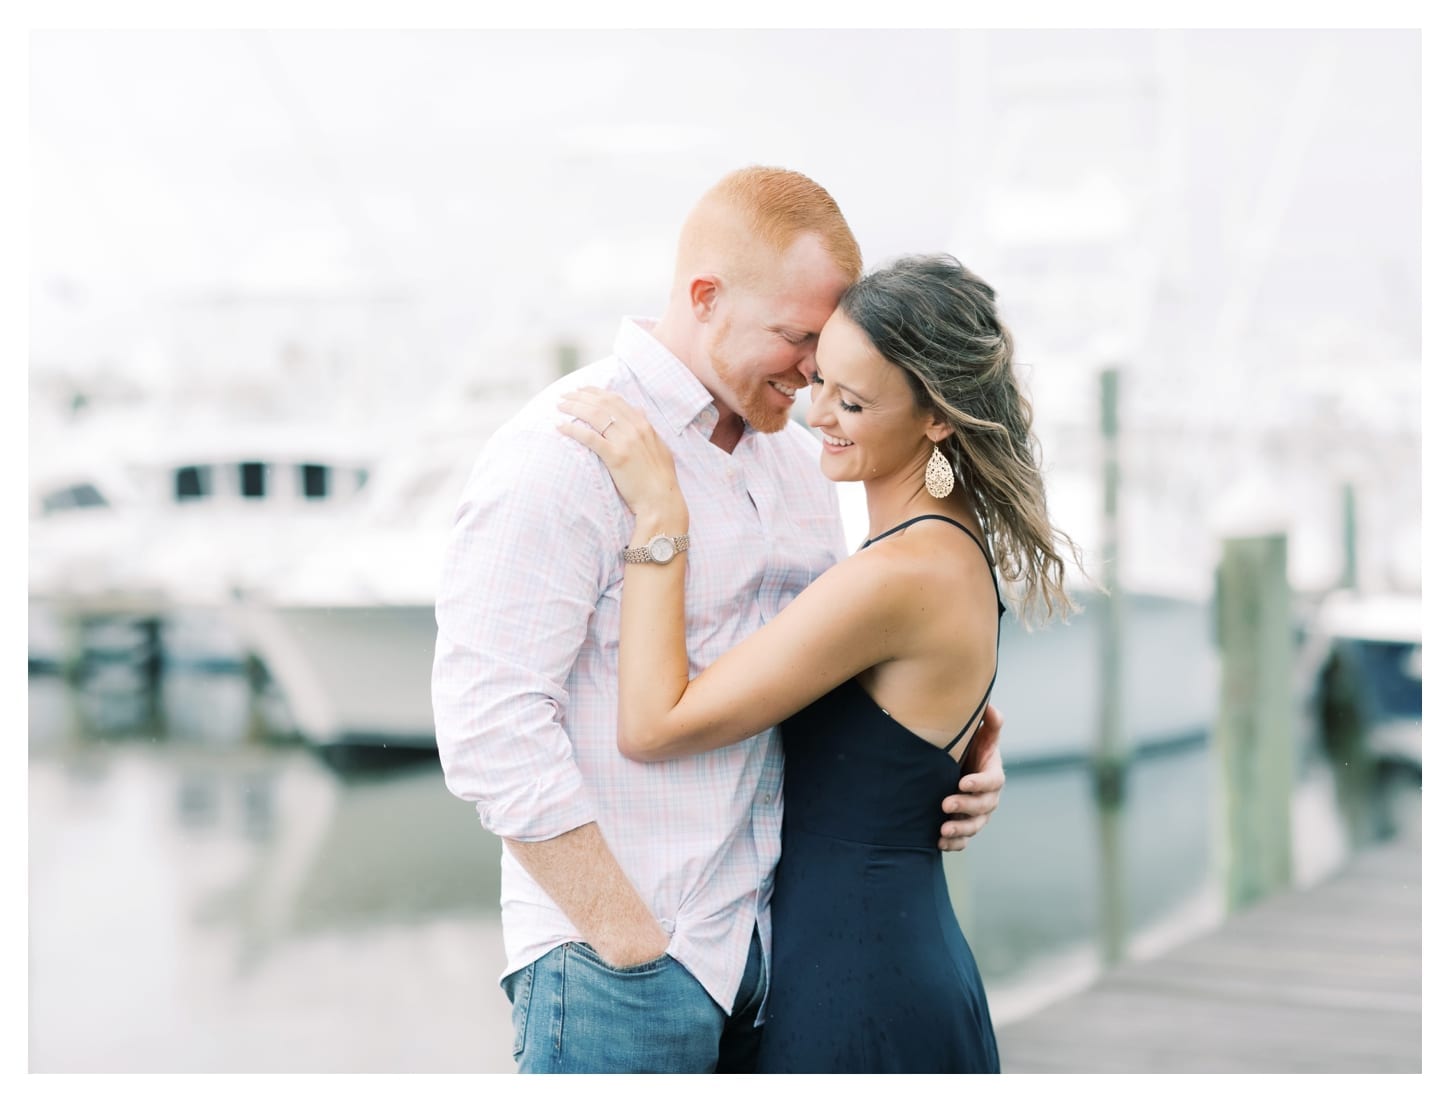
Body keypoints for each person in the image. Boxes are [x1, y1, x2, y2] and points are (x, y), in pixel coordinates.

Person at [431, 167, 1007, 1074]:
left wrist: (941, 754)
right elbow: (487, 728)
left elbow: (831, 664)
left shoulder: (797, 457)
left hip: (772, 964)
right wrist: (629, 941)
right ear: (705, 298)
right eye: (798, 337)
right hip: (619, 971)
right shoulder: (564, 452)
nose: (817, 372)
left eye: (829, 347)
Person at [556, 252, 1080, 1073]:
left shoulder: (898, 575)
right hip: (877, 959)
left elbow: (656, 724)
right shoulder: (940, 551)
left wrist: (660, 513)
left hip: (862, 987)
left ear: (936, 418)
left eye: (855, 401)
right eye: (820, 383)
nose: (819, 416)